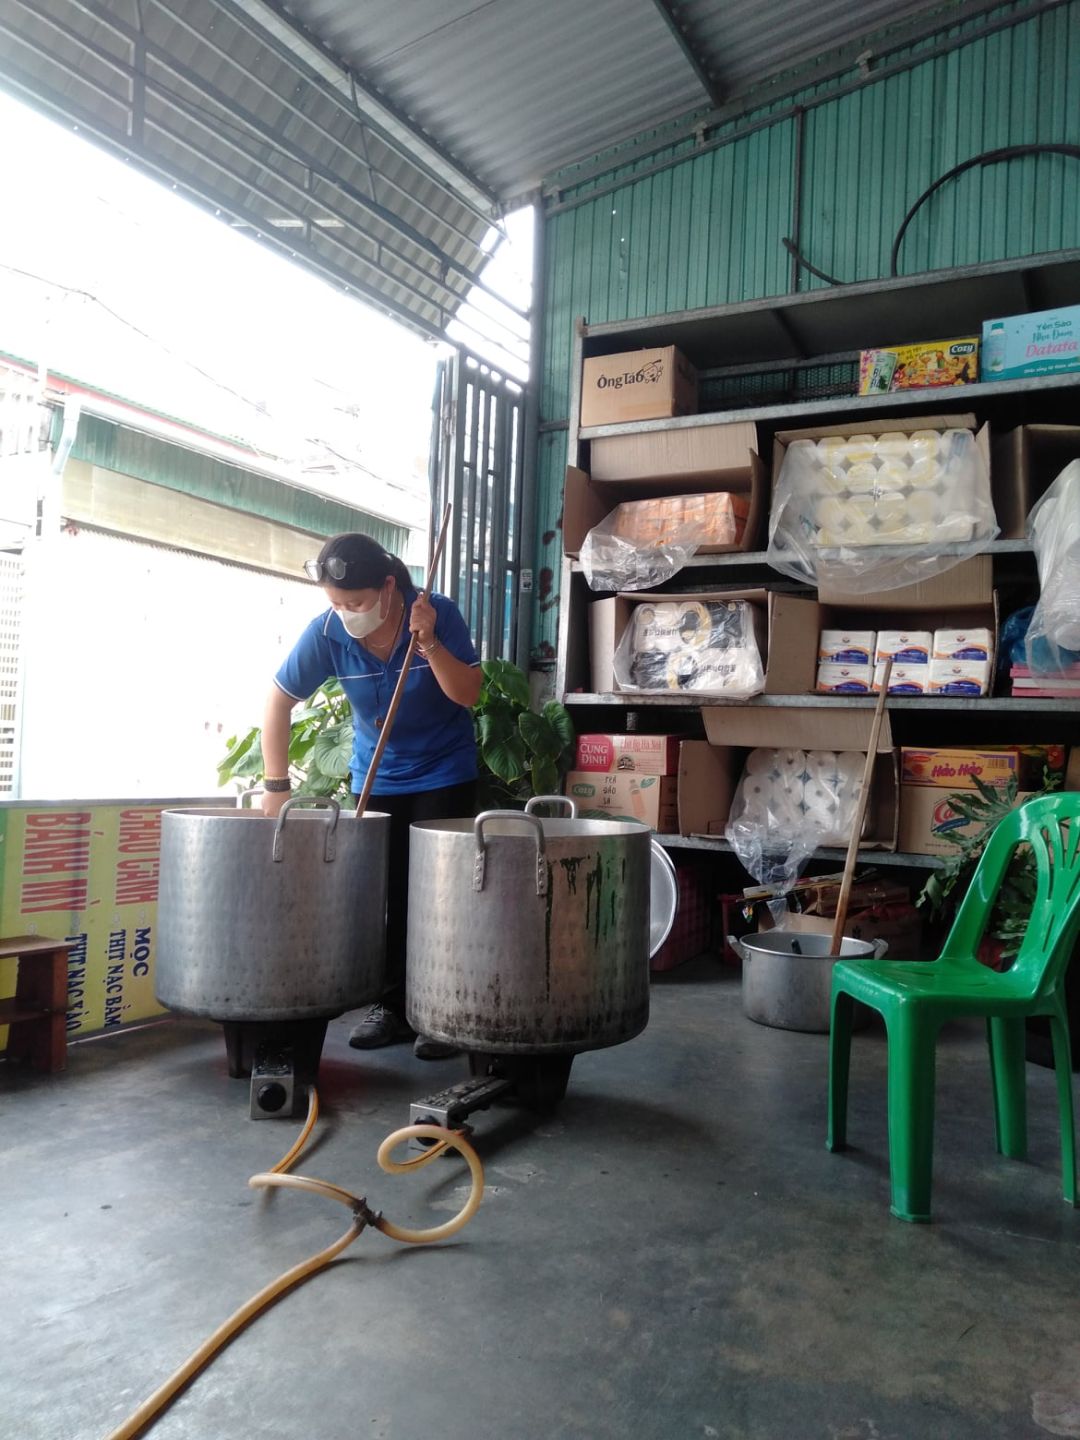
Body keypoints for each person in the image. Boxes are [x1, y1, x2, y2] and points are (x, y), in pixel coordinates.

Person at [260, 532, 482, 1059]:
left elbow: (468, 694)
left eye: (355, 603)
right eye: (336, 604)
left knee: (440, 897)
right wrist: (276, 785)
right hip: (376, 776)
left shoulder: (436, 613)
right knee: (383, 896)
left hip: (443, 772)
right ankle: (392, 1006)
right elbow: (278, 701)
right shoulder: (327, 633)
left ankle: (442, 1012)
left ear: (387, 587)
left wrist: (429, 642)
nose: (345, 614)